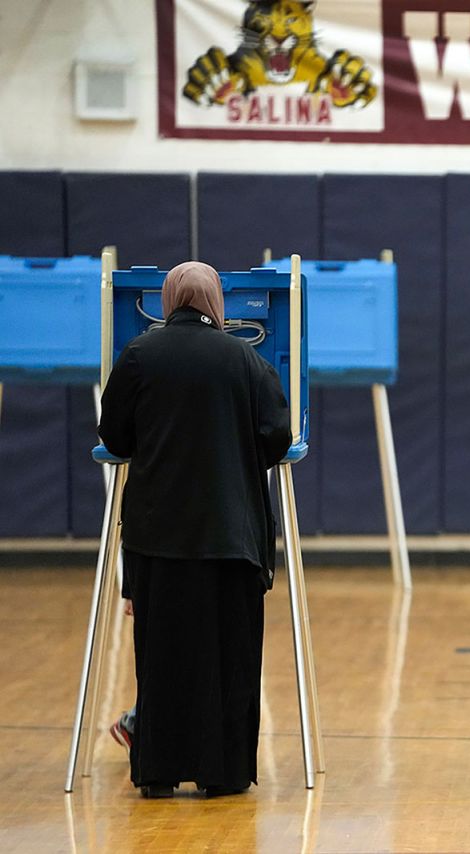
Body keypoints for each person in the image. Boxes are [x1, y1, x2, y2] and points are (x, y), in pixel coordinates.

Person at [98, 261, 292, 798]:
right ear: (214, 302)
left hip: (157, 539)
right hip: (231, 538)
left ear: (168, 299)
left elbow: (113, 436)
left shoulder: (138, 355)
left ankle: (157, 772)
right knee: (229, 658)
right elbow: (278, 438)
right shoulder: (247, 360)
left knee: (159, 657)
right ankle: (223, 774)